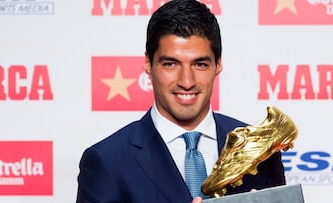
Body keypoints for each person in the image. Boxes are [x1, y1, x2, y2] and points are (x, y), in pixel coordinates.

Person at [76, 0, 285, 202]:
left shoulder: (260, 150)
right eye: (171, 64)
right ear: (148, 64)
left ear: (218, 64)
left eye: (200, 64)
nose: (187, 82)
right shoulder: (107, 161)